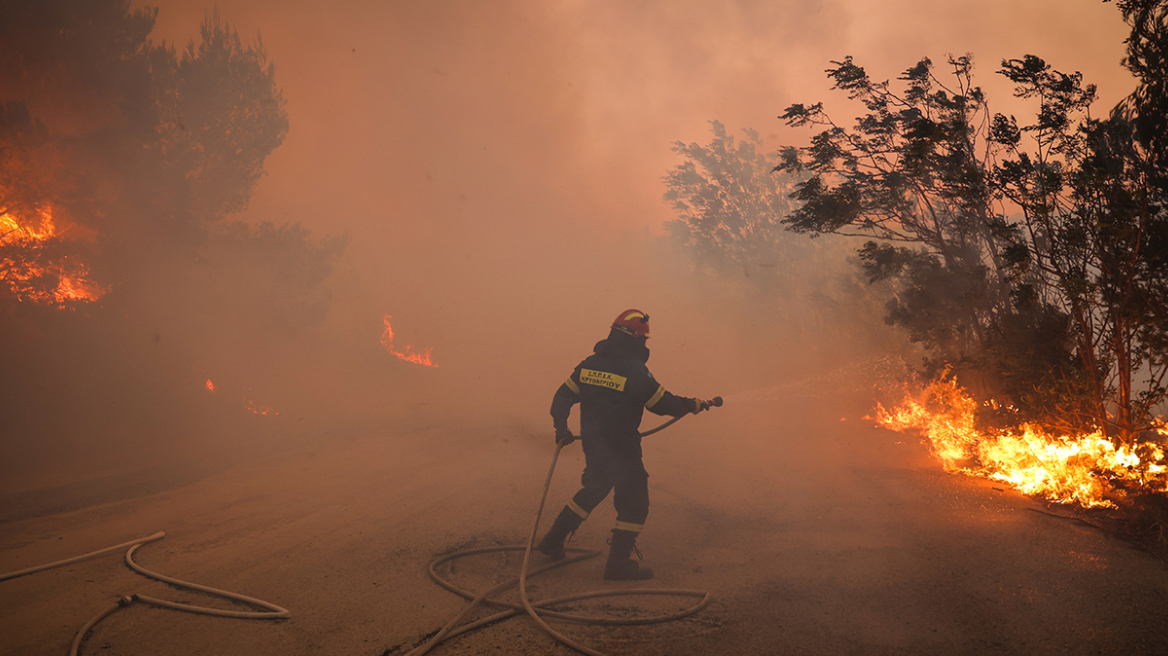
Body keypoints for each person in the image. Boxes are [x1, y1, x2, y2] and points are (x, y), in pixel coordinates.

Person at [536, 309, 712, 580]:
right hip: (622, 448)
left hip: (594, 444)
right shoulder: (635, 371)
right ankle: (617, 565)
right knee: (634, 504)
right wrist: (694, 404)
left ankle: (552, 540)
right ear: (636, 341)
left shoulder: (590, 364)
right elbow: (662, 403)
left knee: (594, 488)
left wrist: (561, 428)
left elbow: (561, 397)